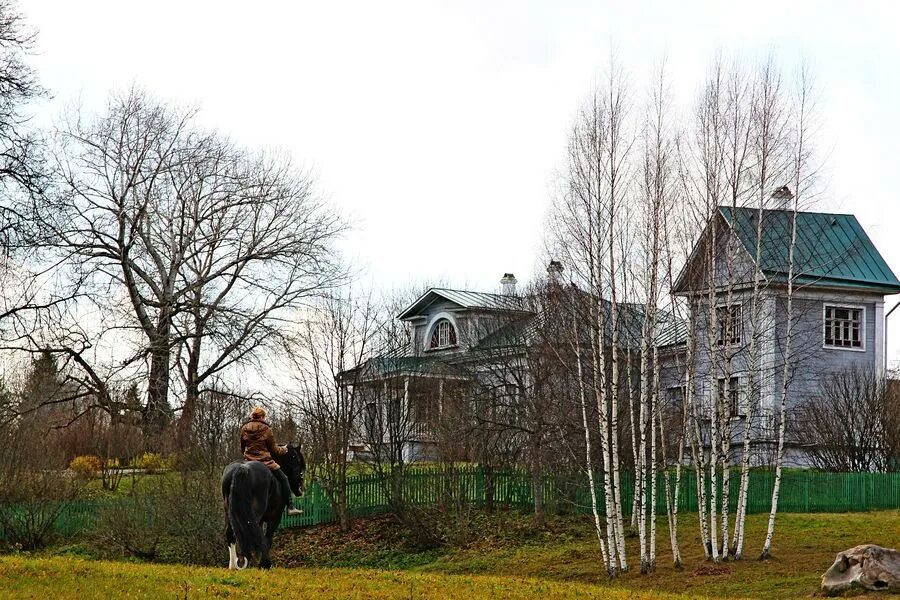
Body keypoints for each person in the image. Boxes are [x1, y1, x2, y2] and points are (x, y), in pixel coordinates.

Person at [240, 406, 302, 516]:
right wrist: (284, 449)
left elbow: (242, 448)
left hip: (248, 461)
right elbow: (275, 449)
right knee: (284, 479)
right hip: (265, 461)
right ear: (262, 417)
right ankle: (291, 507)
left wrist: (247, 455)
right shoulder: (266, 429)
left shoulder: (244, 428)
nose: (265, 419)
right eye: (264, 417)